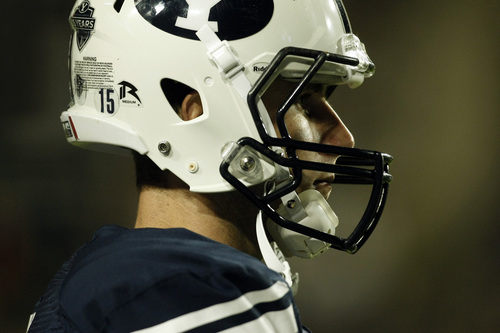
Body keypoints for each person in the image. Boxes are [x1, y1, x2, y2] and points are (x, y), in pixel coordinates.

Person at [28, 0, 393, 332]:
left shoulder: (110, 285)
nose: (343, 138)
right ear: (194, 112)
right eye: (304, 102)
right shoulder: (186, 294)